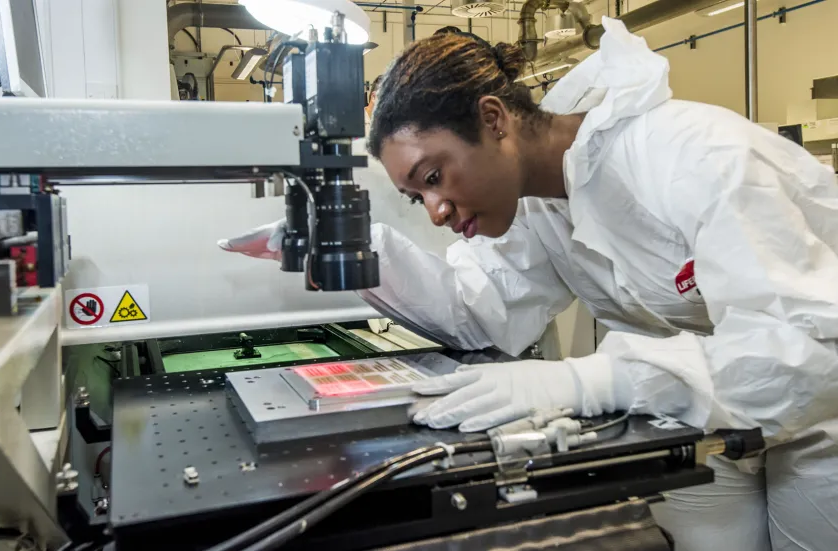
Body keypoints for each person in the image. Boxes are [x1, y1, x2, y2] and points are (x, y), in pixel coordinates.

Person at [221, 17, 838, 551]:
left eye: (434, 176)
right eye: (417, 198)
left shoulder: (693, 158)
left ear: (493, 120)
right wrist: (359, 252)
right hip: (696, 413)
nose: (435, 209)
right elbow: (479, 310)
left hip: (822, 423)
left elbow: (808, 350)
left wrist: (592, 379)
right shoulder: (541, 206)